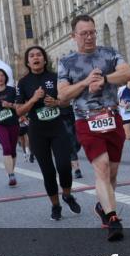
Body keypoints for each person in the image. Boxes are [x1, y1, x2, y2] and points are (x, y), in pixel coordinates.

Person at [58, 15, 130, 240]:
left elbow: (128, 73)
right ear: (74, 36)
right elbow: (62, 95)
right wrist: (84, 82)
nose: (89, 37)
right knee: (101, 168)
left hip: (112, 117)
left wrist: (105, 80)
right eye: (84, 33)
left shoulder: (109, 53)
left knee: (112, 171)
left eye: (92, 32)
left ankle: (103, 206)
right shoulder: (67, 62)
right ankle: (112, 219)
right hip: (86, 120)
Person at [16, 46, 81, 221]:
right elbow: (19, 111)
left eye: (39, 55)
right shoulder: (23, 83)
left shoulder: (56, 78)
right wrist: (34, 99)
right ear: (28, 62)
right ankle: (55, 205)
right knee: (48, 172)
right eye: (31, 56)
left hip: (57, 127)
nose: (35, 58)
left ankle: (67, 195)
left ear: (45, 59)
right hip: (37, 132)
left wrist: (57, 103)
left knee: (64, 166)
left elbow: (68, 102)